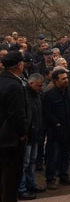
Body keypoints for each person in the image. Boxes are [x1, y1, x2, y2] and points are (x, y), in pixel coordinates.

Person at [43, 67, 70, 190]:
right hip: (55, 130)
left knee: (66, 155)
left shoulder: (69, 92)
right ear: (55, 81)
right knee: (53, 156)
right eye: (63, 79)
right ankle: (50, 179)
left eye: (66, 78)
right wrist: (56, 123)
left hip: (68, 128)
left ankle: (64, 176)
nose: (66, 81)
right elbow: (46, 112)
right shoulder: (49, 95)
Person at [0, 51, 28, 202]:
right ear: (19, 65)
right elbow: (17, 115)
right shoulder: (14, 85)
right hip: (11, 139)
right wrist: (22, 133)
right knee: (11, 180)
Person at [18, 73, 46, 200]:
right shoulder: (25, 96)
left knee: (32, 161)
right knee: (25, 163)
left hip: (35, 134)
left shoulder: (36, 95)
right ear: (31, 84)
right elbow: (25, 117)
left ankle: (31, 183)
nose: (41, 88)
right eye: (39, 86)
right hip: (28, 135)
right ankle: (21, 188)